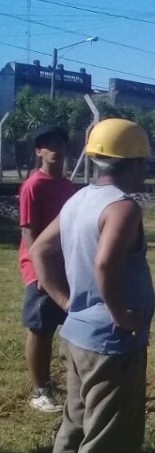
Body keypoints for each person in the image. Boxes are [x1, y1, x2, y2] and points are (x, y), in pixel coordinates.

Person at [29, 118, 155, 453]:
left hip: (78, 335)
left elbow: (40, 250)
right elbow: (105, 265)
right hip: (111, 343)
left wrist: (66, 302)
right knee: (108, 435)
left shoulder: (80, 198)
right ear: (134, 163)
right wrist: (120, 314)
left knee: (75, 423)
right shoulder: (122, 207)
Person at [18, 125, 77, 412]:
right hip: (40, 269)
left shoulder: (67, 186)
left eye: (60, 144)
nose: (55, 149)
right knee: (41, 328)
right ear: (38, 152)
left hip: (66, 267)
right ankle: (40, 390)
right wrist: (40, 271)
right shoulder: (33, 185)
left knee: (73, 326)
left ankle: (76, 383)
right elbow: (28, 232)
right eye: (48, 145)